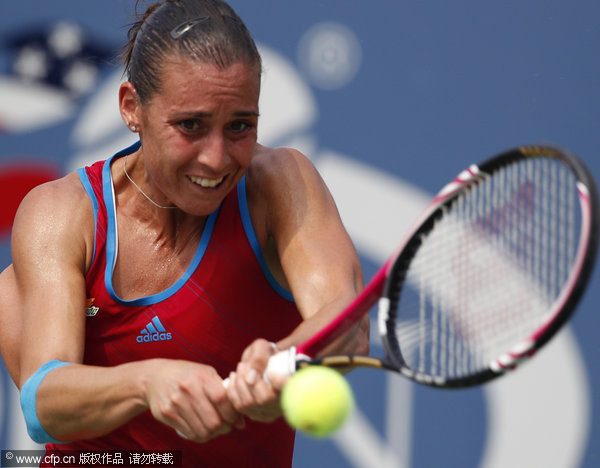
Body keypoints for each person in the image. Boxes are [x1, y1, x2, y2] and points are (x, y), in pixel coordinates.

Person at [0, 0, 368, 466]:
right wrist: (147, 382)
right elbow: (43, 402)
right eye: (190, 125)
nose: (216, 158)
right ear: (132, 107)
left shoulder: (280, 182)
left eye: (240, 126)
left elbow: (347, 321)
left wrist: (280, 359)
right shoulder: (61, 214)